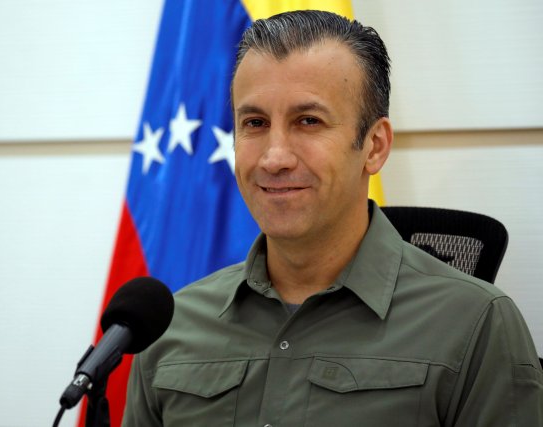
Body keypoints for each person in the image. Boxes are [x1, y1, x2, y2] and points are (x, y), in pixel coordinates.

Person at [122, 10, 543, 426]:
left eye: (308, 121)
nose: (274, 157)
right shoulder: (168, 328)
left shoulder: (475, 325)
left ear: (374, 146)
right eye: (254, 122)